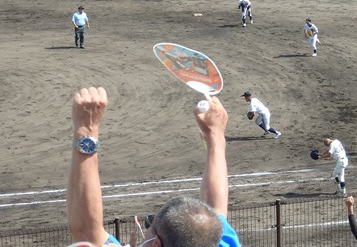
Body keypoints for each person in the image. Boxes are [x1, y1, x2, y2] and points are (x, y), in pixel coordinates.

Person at [66, 87, 240, 247]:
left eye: (151, 224)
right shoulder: (210, 240)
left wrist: (86, 130)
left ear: (156, 243)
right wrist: (215, 137)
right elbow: (215, 209)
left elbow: (85, 232)